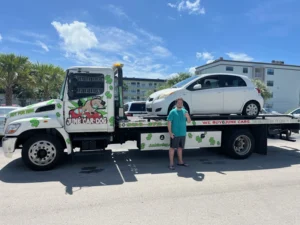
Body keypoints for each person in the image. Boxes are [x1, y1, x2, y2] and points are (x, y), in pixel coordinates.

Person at [167, 97, 191, 170]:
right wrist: (170, 133)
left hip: (183, 133)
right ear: (176, 103)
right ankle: (171, 164)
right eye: (179, 102)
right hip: (175, 134)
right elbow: (169, 123)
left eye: (181, 102)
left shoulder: (185, 111)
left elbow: (189, 121)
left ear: (182, 104)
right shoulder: (172, 112)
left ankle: (180, 162)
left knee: (180, 148)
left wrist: (188, 116)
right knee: (172, 148)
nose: (180, 103)